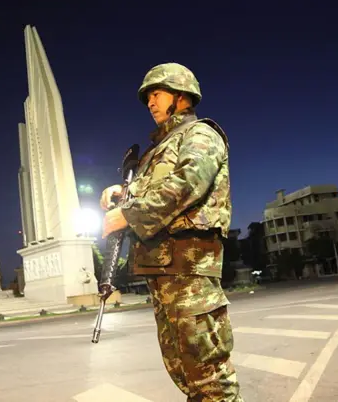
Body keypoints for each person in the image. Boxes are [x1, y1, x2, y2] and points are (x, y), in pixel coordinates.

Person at [100, 63, 244, 401]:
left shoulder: (200, 134)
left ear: (181, 95)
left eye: (157, 94)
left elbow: (189, 183)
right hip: (164, 274)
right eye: (148, 97)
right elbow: (154, 191)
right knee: (186, 374)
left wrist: (128, 215)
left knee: (210, 378)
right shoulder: (157, 150)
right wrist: (121, 194)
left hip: (189, 272)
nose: (151, 102)